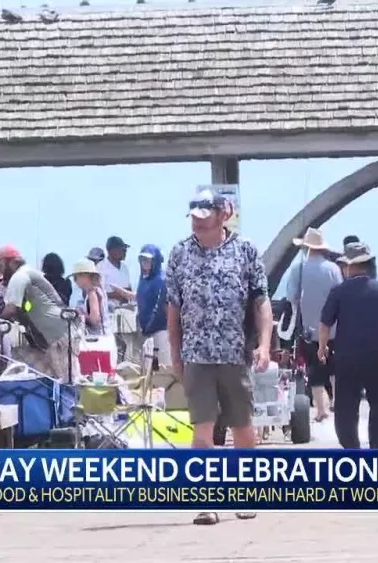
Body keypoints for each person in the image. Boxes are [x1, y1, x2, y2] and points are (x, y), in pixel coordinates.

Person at [165, 189, 271, 526]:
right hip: (196, 354)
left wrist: (265, 344)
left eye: (204, 218)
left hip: (234, 353)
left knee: (242, 426)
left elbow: (261, 301)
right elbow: (173, 309)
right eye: (194, 219)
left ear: (223, 215)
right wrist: (176, 354)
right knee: (201, 432)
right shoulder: (179, 253)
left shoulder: (246, 250)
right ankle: (206, 502)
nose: (198, 224)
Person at [319, 242, 378, 449]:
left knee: (346, 407)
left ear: (349, 266)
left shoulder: (338, 291)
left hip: (346, 357)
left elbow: (325, 323)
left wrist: (322, 347)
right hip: (375, 355)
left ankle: (351, 449)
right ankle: (377, 449)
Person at [0, 245, 81, 382]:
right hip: (53, 336)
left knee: (67, 382)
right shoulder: (27, 273)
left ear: (10, 262)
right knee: (50, 379)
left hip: (58, 336)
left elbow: (11, 309)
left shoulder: (20, 276)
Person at [286, 227, 342, 421]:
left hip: (309, 329)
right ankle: (337, 402)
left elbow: (292, 297)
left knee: (315, 369)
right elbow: (339, 296)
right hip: (334, 328)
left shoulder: (298, 269)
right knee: (334, 367)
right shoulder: (333, 269)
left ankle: (321, 409)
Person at [136, 245, 170, 370]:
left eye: (148, 260)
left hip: (160, 331)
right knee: (147, 370)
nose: (144, 263)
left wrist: (150, 325)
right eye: (142, 260)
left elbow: (161, 307)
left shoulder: (161, 279)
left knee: (162, 369)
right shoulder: (144, 279)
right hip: (147, 332)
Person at [69, 259, 112, 336]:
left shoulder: (92, 293)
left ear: (85, 276)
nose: (75, 281)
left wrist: (79, 314)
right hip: (104, 336)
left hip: (99, 338)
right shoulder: (98, 290)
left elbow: (94, 319)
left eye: (76, 277)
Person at [99, 236, 135, 307]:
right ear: (112, 250)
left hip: (125, 309)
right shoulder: (101, 267)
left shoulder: (124, 268)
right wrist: (118, 295)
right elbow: (98, 293)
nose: (125, 252)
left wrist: (126, 293)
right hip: (108, 310)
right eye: (123, 250)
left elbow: (128, 289)